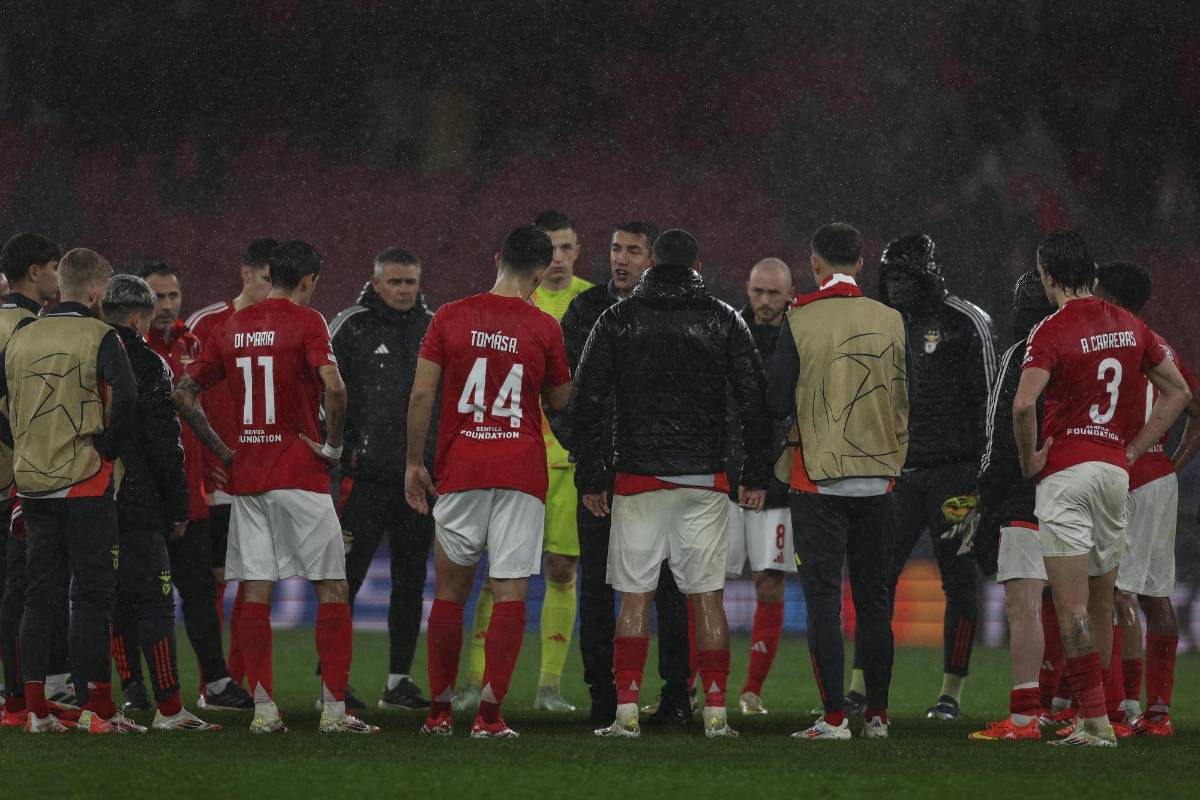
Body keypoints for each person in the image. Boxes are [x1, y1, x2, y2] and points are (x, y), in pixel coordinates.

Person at [572, 228, 770, 739]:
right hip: (704, 478)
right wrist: (754, 474)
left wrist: (593, 475)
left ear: (653, 263)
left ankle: (626, 714)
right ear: (697, 263)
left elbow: (586, 402)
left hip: (636, 478)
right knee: (706, 597)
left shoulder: (617, 319)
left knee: (635, 598)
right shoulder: (723, 319)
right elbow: (754, 401)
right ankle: (718, 715)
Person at [175, 240, 378, 735]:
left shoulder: (231, 326)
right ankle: (333, 711)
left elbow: (184, 392)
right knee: (332, 587)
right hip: (301, 476)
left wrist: (225, 450)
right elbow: (334, 386)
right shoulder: (309, 322)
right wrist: (331, 448)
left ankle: (265, 711)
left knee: (255, 590)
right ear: (308, 280)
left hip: (248, 479)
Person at [1013, 230, 1190, 747]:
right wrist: (1133, 449)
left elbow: (1025, 405)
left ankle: (1092, 722)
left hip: (1067, 474)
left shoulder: (1051, 329)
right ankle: (1107, 715)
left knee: (1070, 608)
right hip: (1116, 475)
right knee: (1103, 600)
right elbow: (1177, 390)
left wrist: (1029, 460)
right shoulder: (1132, 325)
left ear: (1047, 274)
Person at [406, 225, 571, 738]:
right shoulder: (544, 326)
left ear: (498, 257)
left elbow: (420, 396)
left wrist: (414, 462)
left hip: (462, 468)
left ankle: (437, 712)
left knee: (451, 595)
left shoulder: (450, 317)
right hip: (521, 470)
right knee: (510, 593)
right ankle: (490, 718)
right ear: (541, 275)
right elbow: (561, 400)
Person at [768, 223, 909, 741]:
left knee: (825, 600)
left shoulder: (800, 318)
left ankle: (833, 718)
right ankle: (878, 716)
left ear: (814, 263)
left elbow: (777, 401)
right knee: (875, 601)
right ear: (862, 262)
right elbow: (903, 393)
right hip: (879, 480)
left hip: (819, 481)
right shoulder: (891, 318)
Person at [456, 210, 591, 713]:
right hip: (512, 452)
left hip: (566, 460)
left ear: (579, 252)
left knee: (560, 568)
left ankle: (549, 686)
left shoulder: (590, 302)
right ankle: (475, 681)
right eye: (550, 248)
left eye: (567, 247)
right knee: (498, 573)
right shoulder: (510, 301)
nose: (558, 258)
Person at [0, 248, 139, 734]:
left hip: (32, 485)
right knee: (93, 596)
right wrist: (107, 448)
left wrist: (22, 443)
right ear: (97, 293)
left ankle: (35, 711)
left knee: (39, 597)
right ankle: (98, 711)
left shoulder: (22, 335)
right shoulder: (100, 335)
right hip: (83, 480)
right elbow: (127, 398)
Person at [559, 221, 692, 726]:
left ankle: (675, 696)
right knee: (597, 586)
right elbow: (566, 396)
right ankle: (603, 694)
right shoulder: (586, 310)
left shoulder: (669, 312)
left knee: (669, 587)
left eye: (633, 251)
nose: (621, 258)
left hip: (656, 472)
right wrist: (591, 463)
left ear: (651, 261)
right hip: (600, 477)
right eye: (616, 248)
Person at [864, 234, 996, 721]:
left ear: (925, 275)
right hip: (897, 476)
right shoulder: (882, 324)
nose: (895, 286)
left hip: (955, 478)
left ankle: (951, 695)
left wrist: (984, 475)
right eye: (889, 277)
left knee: (960, 581)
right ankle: (861, 687)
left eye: (904, 276)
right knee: (875, 578)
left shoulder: (967, 321)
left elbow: (990, 398)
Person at [112, 262, 252, 713]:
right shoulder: (120, 350)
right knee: (131, 597)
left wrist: (216, 474)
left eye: (174, 295)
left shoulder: (193, 346)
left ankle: (216, 682)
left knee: (199, 595)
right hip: (135, 496)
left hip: (189, 497)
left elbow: (202, 420)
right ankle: (133, 684)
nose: (168, 305)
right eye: (159, 297)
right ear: (140, 305)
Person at [101, 274, 219, 731]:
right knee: (154, 601)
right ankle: (169, 708)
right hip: (139, 500)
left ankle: (102, 701)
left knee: (101, 599)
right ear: (137, 317)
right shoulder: (148, 362)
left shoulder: (83, 354)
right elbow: (164, 442)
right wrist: (177, 506)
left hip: (87, 495)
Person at [326, 247, 435, 710]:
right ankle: (333, 682)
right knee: (343, 579)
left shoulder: (434, 325)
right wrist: (340, 446)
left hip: (418, 482)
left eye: (410, 282)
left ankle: (398, 681)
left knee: (410, 582)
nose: (404, 290)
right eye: (395, 282)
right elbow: (324, 389)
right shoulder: (350, 325)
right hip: (362, 478)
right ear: (375, 283)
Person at [1094, 260, 1200, 736]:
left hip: (1126, 474)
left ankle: (1122, 708)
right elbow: (1196, 409)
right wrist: (1173, 463)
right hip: (1158, 477)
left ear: (1109, 298)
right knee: (1156, 594)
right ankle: (1158, 711)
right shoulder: (1162, 345)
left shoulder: (1113, 341)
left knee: (1115, 593)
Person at [967, 270, 1058, 741]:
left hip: (1028, 494)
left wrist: (986, 496)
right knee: (1082, 605)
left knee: (1025, 607)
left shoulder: (1021, 354)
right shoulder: (1085, 349)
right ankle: (1091, 708)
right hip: (1082, 489)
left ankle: (1024, 716)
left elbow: (1002, 433)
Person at [185, 237, 276, 701]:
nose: (271, 288)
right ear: (245, 274)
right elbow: (187, 395)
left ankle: (242, 680)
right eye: (265, 279)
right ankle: (213, 681)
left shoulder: (285, 326)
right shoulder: (206, 323)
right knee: (219, 578)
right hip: (220, 477)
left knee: (259, 578)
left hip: (266, 473)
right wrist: (210, 460)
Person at [0, 233, 75, 727]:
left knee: (22, 586)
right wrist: (26, 439)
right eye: (53, 267)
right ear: (34, 272)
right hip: (15, 477)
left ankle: (31, 687)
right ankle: (18, 697)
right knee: (21, 587)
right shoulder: (23, 327)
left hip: (13, 473)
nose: (58, 277)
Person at [725, 258, 795, 716]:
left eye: (774, 294)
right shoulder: (728, 330)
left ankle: (752, 692)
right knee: (704, 584)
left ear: (790, 294)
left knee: (768, 584)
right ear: (747, 290)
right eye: (758, 292)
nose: (765, 302)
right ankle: (699, 685)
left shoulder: (802, 337)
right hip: (727, 483)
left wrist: (769, 480)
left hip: (778, 487)